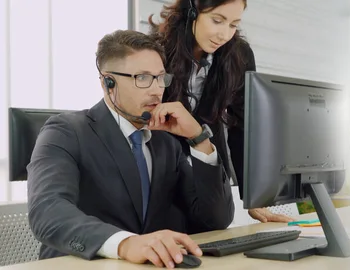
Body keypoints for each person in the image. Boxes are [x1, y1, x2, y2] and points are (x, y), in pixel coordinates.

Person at [27, 30, 234, 268]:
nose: (157, 89)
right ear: (108, 83)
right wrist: (125, 244)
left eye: (160, 78)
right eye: (143, 78)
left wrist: (199, 139)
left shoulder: (164, 141)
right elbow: (48, 212)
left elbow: (214, 220)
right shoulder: (65, 132)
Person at [148, 0, 295, 223]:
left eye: (233, 25)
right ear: (191, 11)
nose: (224, 34)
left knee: (217, 222)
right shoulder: (156, 49)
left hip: (208, 153)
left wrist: (252, 196)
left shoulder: (239, 54)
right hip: (163, 158)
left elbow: (242, 125)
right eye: (217, 21)